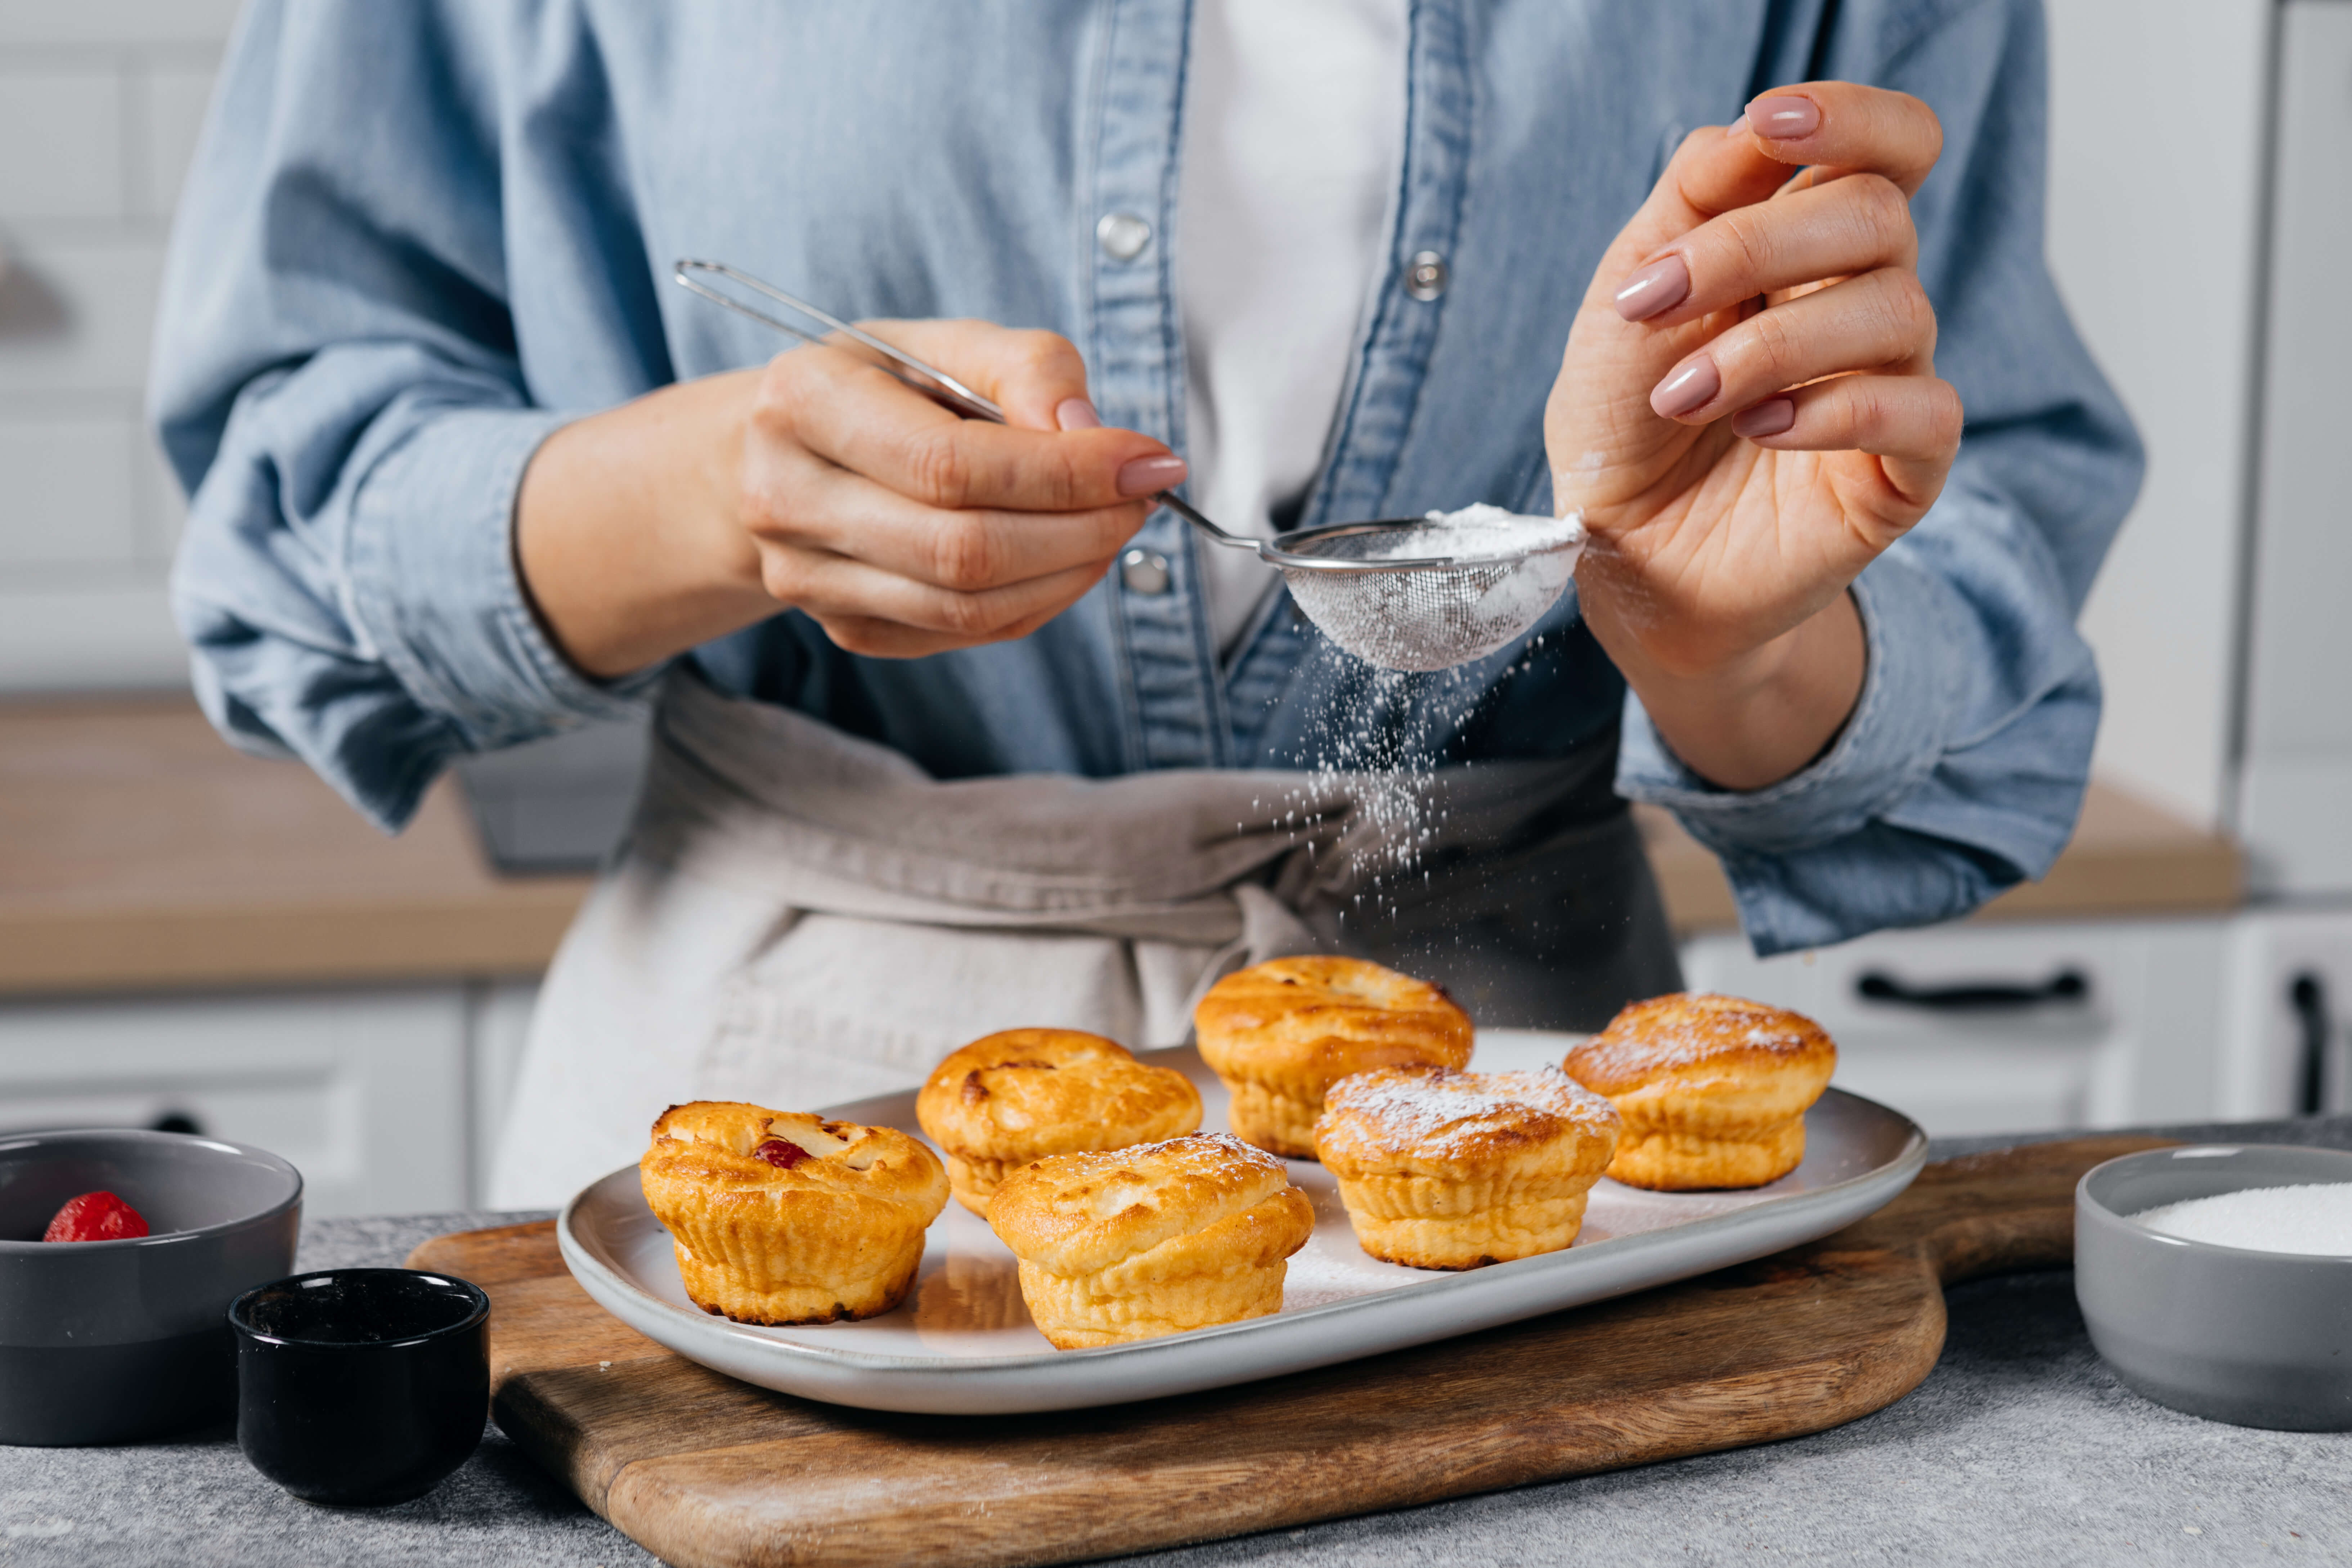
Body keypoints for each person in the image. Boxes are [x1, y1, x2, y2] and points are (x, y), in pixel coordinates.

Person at [151, 1, 2139, 1205]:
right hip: (772, 1080)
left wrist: (1730, 640)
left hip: (1519, 1117)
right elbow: (287, 500)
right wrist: (715, 493)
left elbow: (1976, 521)